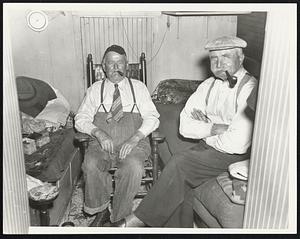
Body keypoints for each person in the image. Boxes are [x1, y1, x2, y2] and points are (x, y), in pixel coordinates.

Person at [112, 36, 258, 227]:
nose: (219, 63)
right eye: (214, 58)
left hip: (235, 157)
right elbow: (185, 126)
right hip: (208, 149)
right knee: (179, 183)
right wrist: (215, 128)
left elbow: (236, 143)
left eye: (226, 56)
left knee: (179, 164)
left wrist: (205, 129)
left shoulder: (250, 88)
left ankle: (135, 221)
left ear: (241, 58)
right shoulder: (208, 85)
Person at [74, 45, 160, 226]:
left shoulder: (139, 87)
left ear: (126, 65)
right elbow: (80, 118)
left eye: (119, 62)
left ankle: (119, 218)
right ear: (103, 66)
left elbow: (153, 117)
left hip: (133, 144)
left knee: (133, 168)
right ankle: (101, 211)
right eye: (110, 63)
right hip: (101, 143)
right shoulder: (94, 90)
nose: (115, 67)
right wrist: (97, 132)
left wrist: (136, 137)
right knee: (91, 165)